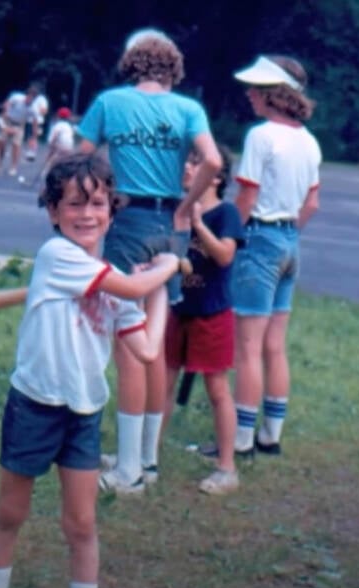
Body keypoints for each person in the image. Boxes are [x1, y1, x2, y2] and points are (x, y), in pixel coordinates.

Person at [0, 153, 179, 588]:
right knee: (12, 512)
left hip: (84, 410)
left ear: (112, 211)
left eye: (97, 204)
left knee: (82, 523)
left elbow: (148, 349)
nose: (86, 215)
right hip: (35, 403)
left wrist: (160, 292)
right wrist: (164, 268)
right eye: (73, 204)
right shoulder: (57, 255)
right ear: (53, 212)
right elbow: (131, 288)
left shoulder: (114, 282)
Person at [77, 28, 222, 493]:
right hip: (170, 226)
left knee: (129, 342)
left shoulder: (109, 103)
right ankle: (147, 457)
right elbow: (214, 162)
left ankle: (128, 470)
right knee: (154, 343)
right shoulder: (188, 109)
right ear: (172, 69)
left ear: (131, 64)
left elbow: (78, 164)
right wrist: (186, 205)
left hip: (128, 219)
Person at [229, 55, 321, 458]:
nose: (249, 94)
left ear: (272, 95)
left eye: (255, 88)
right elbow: (312, 203)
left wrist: (231, 239)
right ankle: (271, 434)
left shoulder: (260, 136)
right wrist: (288, 233)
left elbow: (246, 195)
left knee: (247, 347)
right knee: (275, 346)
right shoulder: (309, 141)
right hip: (289, 242)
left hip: (259, 240)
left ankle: (240, 440)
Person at [162, 147, 245, 495]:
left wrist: (197, 224)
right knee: (162, 384)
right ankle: (144, 456)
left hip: (212, 313)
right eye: (188, 161)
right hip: (177, 308)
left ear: (217, 176)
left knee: (217, 390)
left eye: (197, 163)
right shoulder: (176, 208)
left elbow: (225, 255)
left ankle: (227, 467)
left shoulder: (225, 213)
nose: (187, 167)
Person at [2, 86, 39, 176]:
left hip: (19, 126)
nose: (30, 99)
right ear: (26, 95)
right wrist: (6, 112)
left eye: (32, 98)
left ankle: (13, 167)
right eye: (29, 96)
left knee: (16, 145)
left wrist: (34, 136)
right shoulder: (17, 98)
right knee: (2, 143)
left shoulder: (33, 108)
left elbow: (35, 121)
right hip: (8, 122)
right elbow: (7, 103)